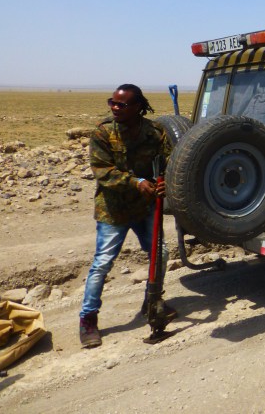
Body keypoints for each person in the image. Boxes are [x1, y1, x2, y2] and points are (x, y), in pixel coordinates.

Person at [79, 84, 175, 348]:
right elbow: (102, 170)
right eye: (113, 102)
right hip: (114, 208)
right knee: (102, 264)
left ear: (138, 108)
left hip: (145, 207)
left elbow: (170, 162)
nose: (115, 108)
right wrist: (136, 182)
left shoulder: (155, 132)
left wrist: (166, 181)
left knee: (161, 253)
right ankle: (88, 319)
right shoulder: (103, 132)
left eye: (121, 104)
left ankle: (152, 301)